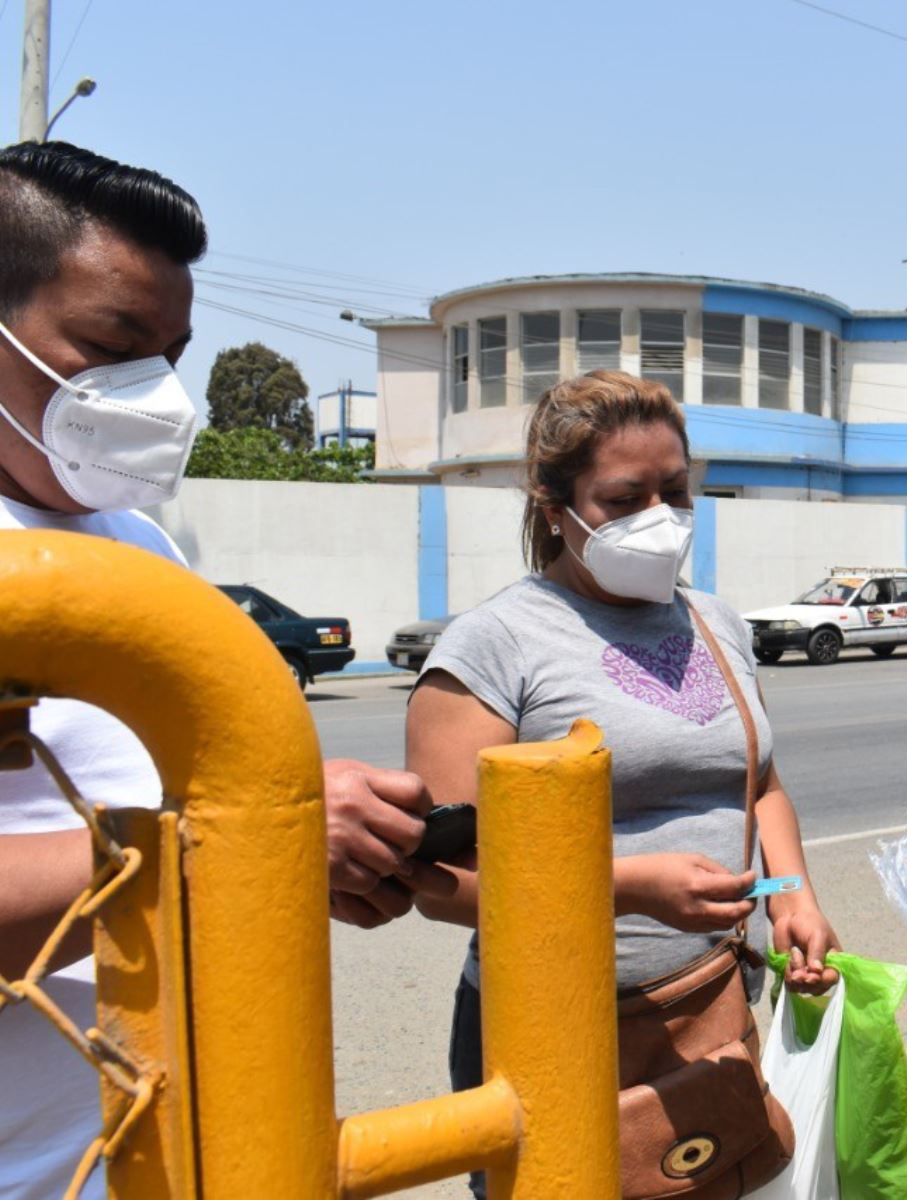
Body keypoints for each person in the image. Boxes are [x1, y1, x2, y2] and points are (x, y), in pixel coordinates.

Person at [0, 141, 448, 1200]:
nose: (153, 392)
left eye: (169, 352)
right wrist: (239, 844)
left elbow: (171, 823)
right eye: (113, 344)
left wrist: (304, 864)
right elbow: (194, 837)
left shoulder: (144, 547)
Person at [405, 370, 840, 1197]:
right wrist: (632, 889)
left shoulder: (718, 622)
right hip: (556, 1036)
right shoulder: (493, 646)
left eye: (674, 492)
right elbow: (443, 878)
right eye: (622, 497)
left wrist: (792, 898)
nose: (658, 519)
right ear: (554, 507)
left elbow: (758, 785)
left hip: (713, 1012)